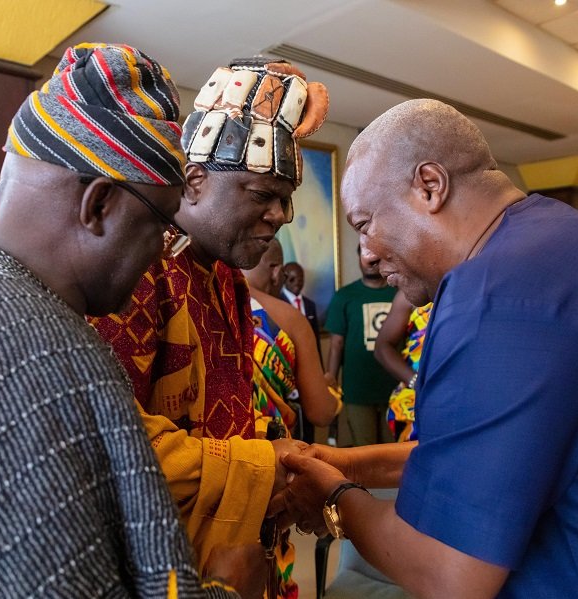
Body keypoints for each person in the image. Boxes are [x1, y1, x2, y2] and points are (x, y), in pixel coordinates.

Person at [272, 99, 578, 597]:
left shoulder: (493, 295)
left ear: (430, 187)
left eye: (365, 224)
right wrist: (348, 464)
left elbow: (448, 573)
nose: (365, 252)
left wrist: (331, 496)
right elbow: (499, 453)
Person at [0, 43, 261, 598]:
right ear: (99, 205)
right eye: (161, 224)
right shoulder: (43, 356)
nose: (163, 253)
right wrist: (229, 590)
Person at [91, 57, 329, 591]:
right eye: (263, 194)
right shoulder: (139, 272)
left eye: (287, 199)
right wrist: (264, 464)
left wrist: (284, 460)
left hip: (237, 551)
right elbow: (115, 448)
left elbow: (231, 411)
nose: (282, 216)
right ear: (194, 182)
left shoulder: (227, 278)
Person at [244, 238, 340, 440]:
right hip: (268, 452)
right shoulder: (291, 320)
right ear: (277, 271)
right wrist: (333, 393)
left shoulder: (205, 303)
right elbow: (321, 413)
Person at [324, 245, 398, 446]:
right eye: (366, 255)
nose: (372, 261)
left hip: (396, 388)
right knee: (364, 448)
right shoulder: (345, 296)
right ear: (359, 258)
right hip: (357, 390)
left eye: (377, 256)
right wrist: (330, 378)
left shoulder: (401, 294)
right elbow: (336, 343)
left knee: (394, 449)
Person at [373, 289, 432, 442]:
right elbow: (382, 347)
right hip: (414, 405)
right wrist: (416, 381)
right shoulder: (411, 293)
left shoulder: (480, 286)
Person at [280, 262, 322, 353]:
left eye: (300, 279)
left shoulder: (310, 305)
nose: (297, 283)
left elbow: (316, 339)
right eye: (292, 279)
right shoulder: (278, 303)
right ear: (284, 279)